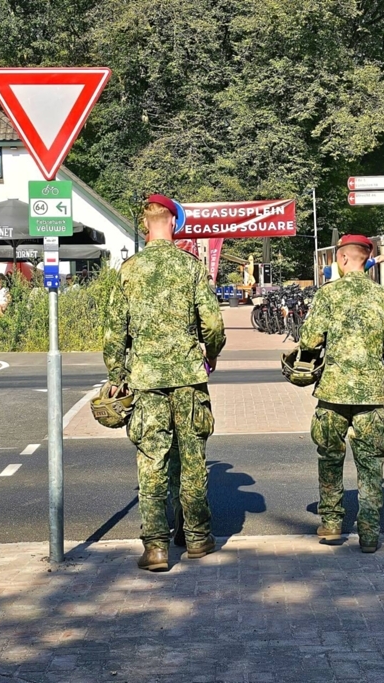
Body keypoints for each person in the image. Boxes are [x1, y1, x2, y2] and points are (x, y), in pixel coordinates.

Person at [104, 194, 226, 572]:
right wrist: (212, 353)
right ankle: (197, 537)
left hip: (146, 379)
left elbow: (113, 332)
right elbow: (213, 324)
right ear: (173, 223)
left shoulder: (129, 270)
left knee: (151, 461)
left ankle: (156, 548)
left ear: (145, 225)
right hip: (189, 378)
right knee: (192, 460)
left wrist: (116, 375)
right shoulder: (191, 268)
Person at [299, 234, 384, 553]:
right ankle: (370, 533)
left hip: (332, 391)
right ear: (365, 258)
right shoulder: (383, 297)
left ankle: (331, 524)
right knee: (371, 462)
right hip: (370, 394)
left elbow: (309, 340)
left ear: (343, 259)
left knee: (330, 457)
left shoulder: (327, 295)